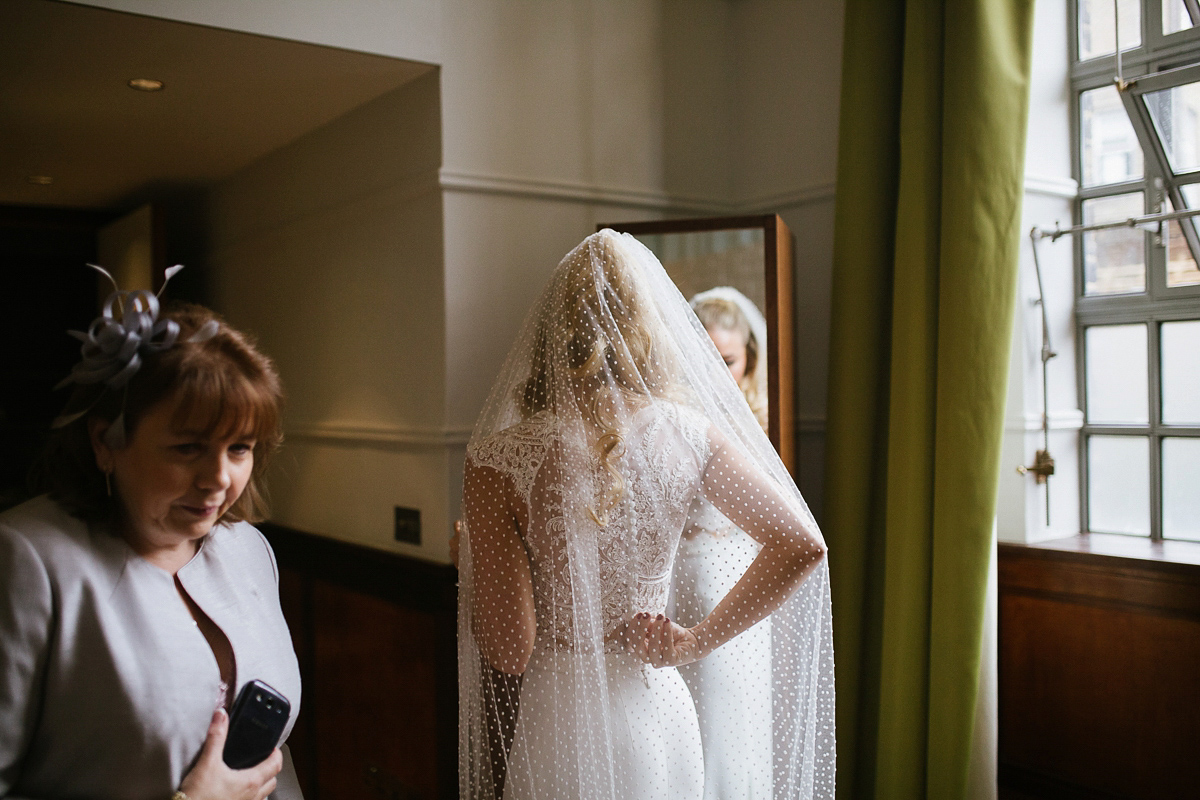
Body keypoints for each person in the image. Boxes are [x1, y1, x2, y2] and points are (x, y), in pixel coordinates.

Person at [457, 230, 834, 800]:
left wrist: (474, 562)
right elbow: (803, 544)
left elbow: (511, 651)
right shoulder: (691, 436)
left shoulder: (496, 460)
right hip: (655, 716)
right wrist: (694, 643)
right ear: (646, 326)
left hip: (561, 722)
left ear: (548, 335)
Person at [0, 266, 302, 800]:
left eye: (240, 448)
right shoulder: (26, 558)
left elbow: (275, 760)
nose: (218, 479)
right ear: (104, 442)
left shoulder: (249, 550)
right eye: (188, 447)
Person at [673, 286, 774, 800]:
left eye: (729, 360)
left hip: (732, 583)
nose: (716, 372)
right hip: (673, 585)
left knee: (729, 724)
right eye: (703, 357)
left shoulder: (755, 422)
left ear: (749, 359)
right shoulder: (671, 420)